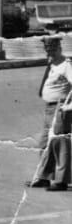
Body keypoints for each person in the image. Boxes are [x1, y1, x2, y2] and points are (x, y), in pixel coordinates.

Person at [27, 36, 72, 190]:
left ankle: (61, 181)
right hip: (49, 108)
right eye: (47, 49)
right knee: (45, 143)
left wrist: (68, 106)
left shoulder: (66, 65)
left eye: (52, 48)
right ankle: (44, 177)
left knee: (60, 144)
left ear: (59, 48)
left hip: (60, 108)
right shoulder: (52, 63)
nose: (49, 51)